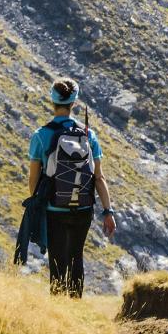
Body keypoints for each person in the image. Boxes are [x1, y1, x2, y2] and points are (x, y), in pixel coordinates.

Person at [22, 76, 115, 297]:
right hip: (82, 208)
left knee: (57, 259)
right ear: (74, 102)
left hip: (54, 208)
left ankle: (59, 310)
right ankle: (75, 304)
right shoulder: (88, 135)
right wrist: (108, 211)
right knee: (76, 256)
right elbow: (99, 177)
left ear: (52, 101)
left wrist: (38, 204)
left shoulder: (41, 136)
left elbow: (33, 180)